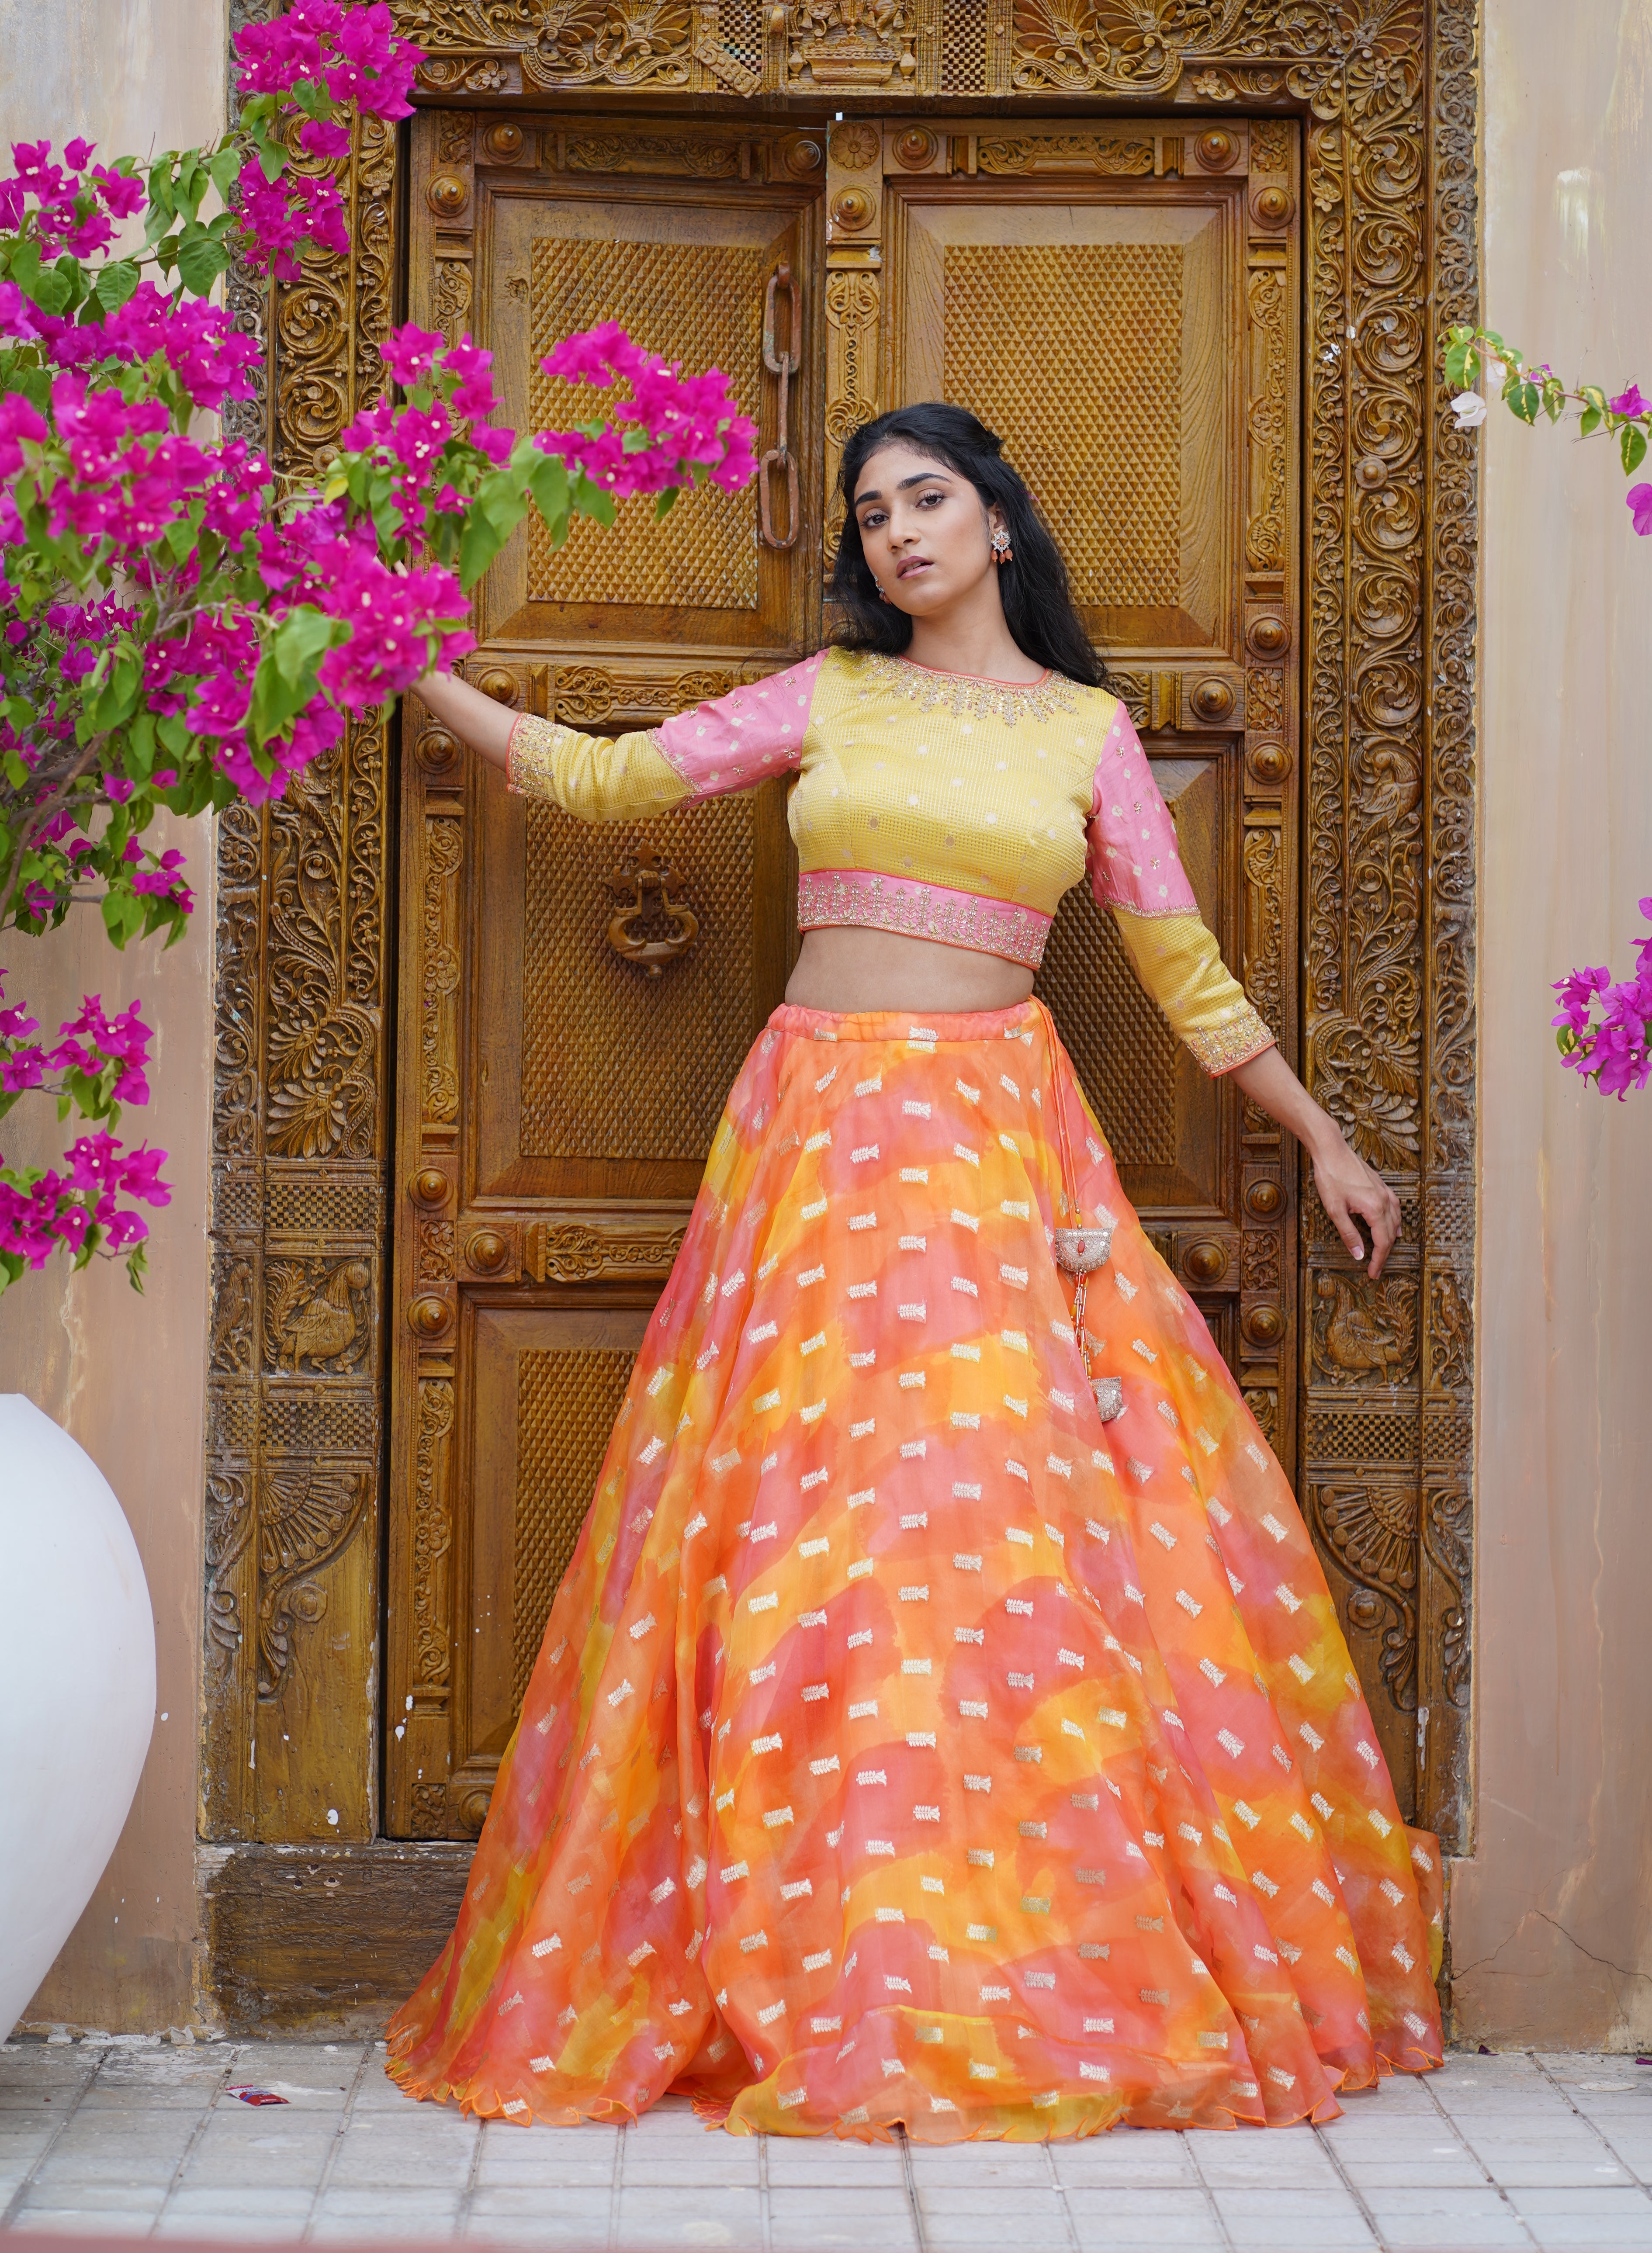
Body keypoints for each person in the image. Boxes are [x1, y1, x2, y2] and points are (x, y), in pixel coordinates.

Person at [388, 401, 1443, 2140]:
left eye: (927, 498)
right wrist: (416, 670)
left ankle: (1000, 1966)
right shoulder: (835, 696)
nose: (898, 531)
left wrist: (1319, 1137)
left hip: (989, 1153)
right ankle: (826, 1960)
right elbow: (603, 774)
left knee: (993, 1534)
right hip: (817, 1144)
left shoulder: (1088, 737)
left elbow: (1183, 974)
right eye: (873, 512)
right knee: (809, 1533)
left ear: (998, 520)